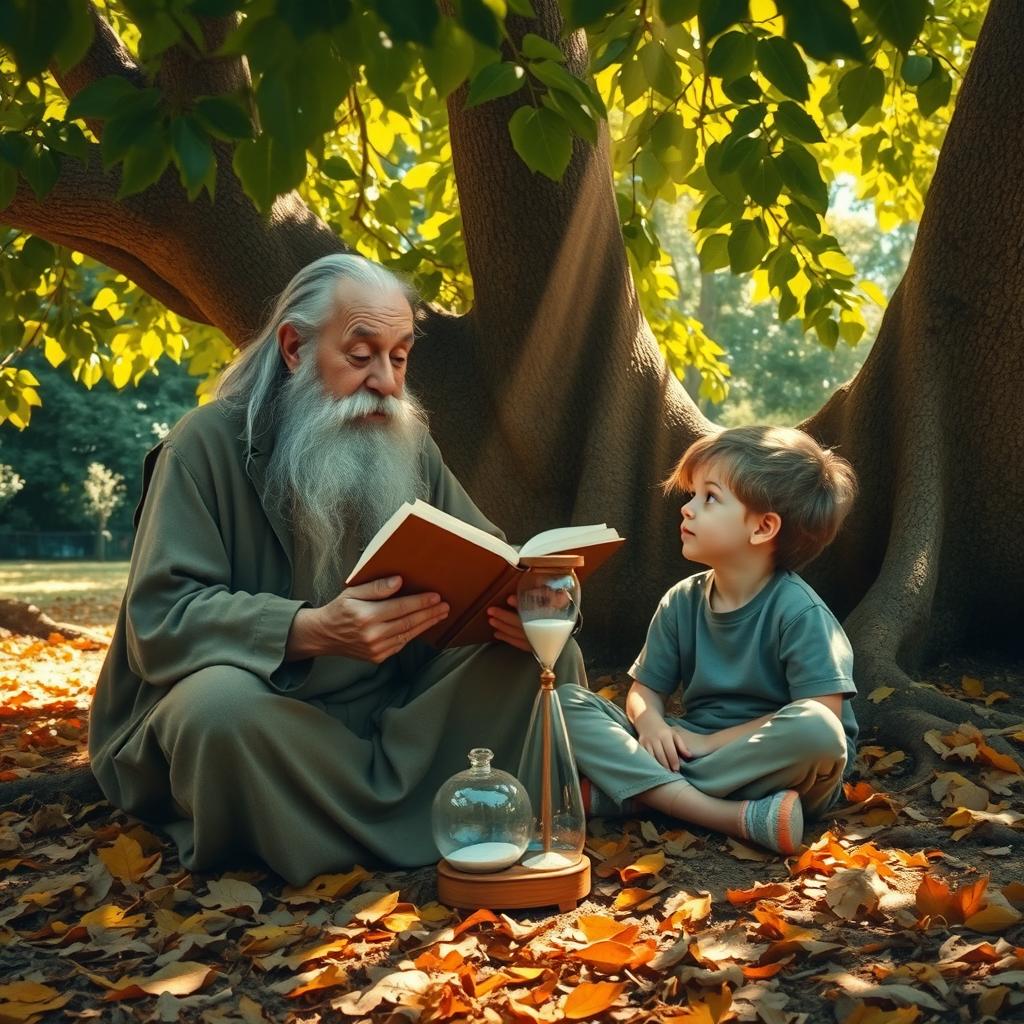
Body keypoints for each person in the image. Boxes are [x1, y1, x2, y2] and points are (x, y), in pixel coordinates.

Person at [88, 254, 584, 885]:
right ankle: (417, 823)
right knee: (219, 714)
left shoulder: (408, 443)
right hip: (272, 716)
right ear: (294, 347)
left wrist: (528, 609)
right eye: (360, 355)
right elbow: (161, 620)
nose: (386, 382)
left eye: (399, 357)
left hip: (396, 711)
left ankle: (318, 825)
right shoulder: (205, 444)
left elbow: (491, 562)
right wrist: (311, 630)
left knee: (540, 659)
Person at [557, 426, 859, 855]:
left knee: (818, 729)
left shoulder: (800, 612)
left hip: (775, 762)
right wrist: (653, 725)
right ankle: (732, 815)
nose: (688, 509)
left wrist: (706, 745)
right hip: (688, 747)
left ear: (763, 528)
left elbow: (824, 716)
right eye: (692, 495)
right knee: (566, 703)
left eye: (709, 497)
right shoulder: (682, 600)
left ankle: (636, 793)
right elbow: (645, 691)